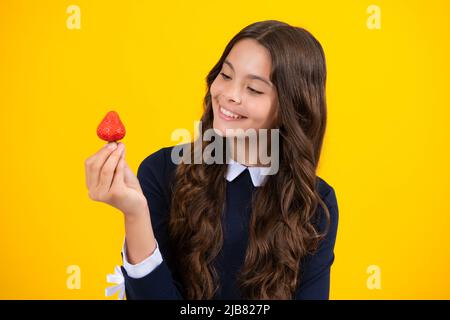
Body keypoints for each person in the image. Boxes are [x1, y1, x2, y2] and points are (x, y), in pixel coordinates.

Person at [85, 20, 339, 300]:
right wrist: (135, 214)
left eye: (254, 89)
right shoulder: (162, 171)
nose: (229, 95)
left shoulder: (316, 203)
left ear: (290, 107)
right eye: (226, 75)